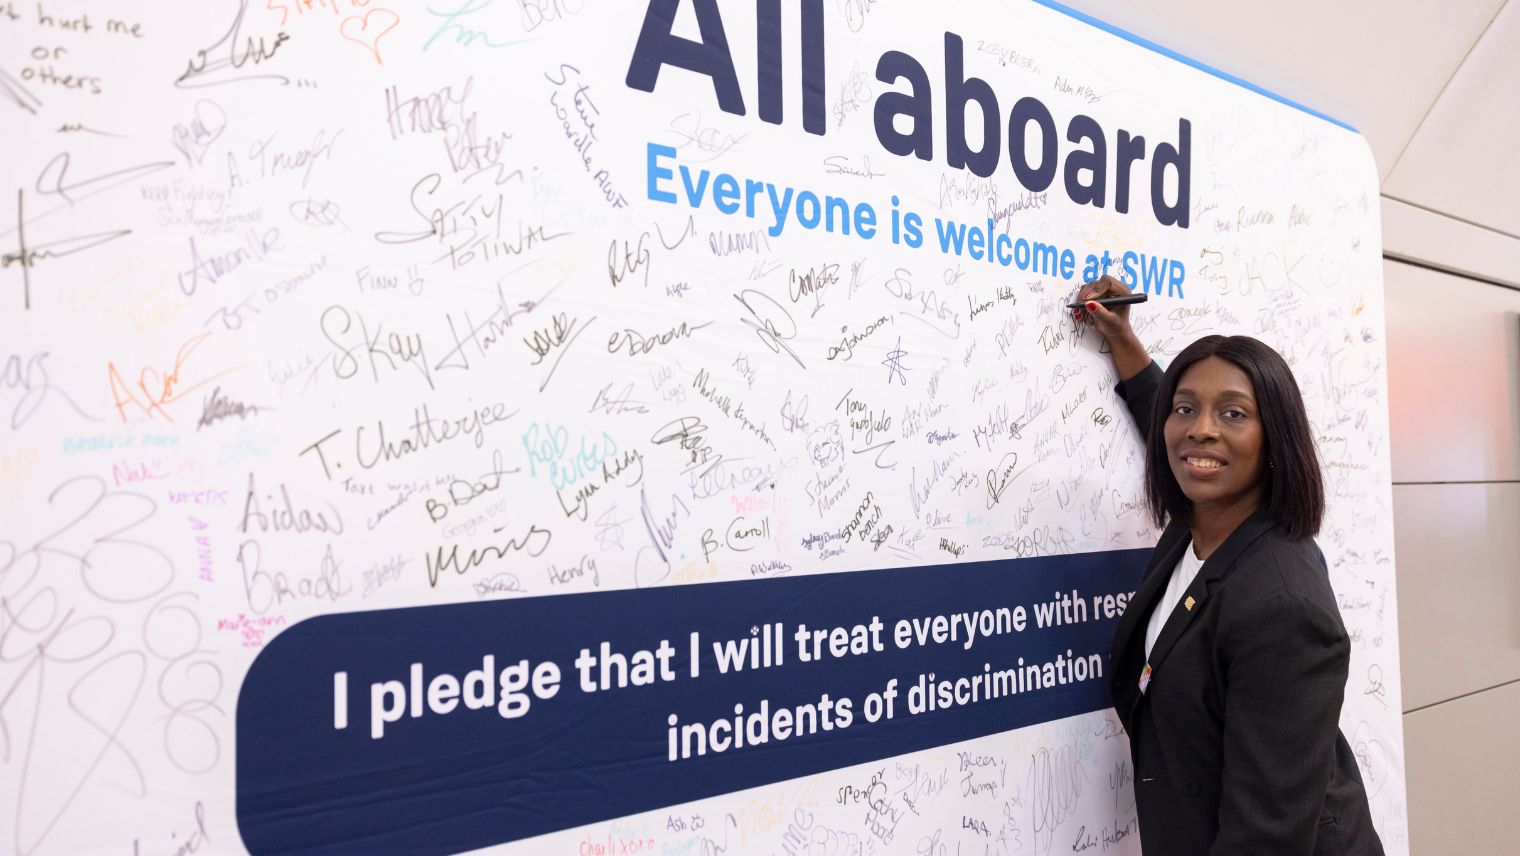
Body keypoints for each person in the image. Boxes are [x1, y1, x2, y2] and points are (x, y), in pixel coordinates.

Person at [1074, 275, 1384, 855]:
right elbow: (1183, 434)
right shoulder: (1199, 526)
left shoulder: (1282, 604)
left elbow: (1265, 838)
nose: (1202, 429)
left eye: (1235, 414)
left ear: (1276, 440)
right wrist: (1123, 342)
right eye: (1186, 409)